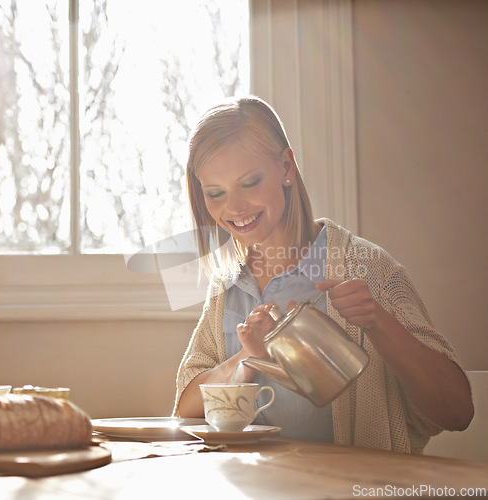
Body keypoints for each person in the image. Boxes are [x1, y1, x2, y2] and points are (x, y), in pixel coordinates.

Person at [172, 96, 473, 453]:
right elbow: (185, 411)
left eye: (249, 182)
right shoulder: (226, 288)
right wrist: (245, 359)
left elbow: (457, 412)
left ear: (286, 167)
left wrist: (377, 321)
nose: (233, 208)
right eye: (215, 193)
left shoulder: (366, 267)